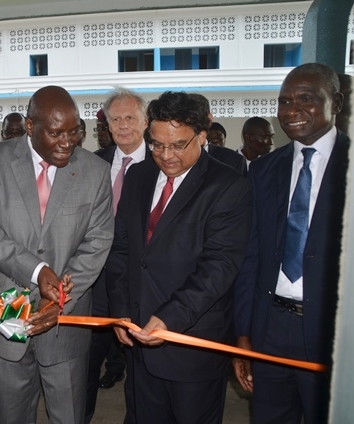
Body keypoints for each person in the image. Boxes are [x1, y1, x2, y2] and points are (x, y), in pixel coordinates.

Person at [0, 85, 114, 424]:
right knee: (11, 414)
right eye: (56, 132)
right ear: (30, 127)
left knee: (68, 415)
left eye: (74, 131)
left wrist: (60, 301)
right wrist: (36, 270)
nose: (68, 142)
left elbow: (98, 241)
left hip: (66, 322)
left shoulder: (94, 171)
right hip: (7, 311)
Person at [107, 91, 252, 424]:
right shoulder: (138, 176)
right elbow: (122, 249)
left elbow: (219, 268)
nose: (166, 156)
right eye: (157, 145)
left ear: (202, 135)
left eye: (177, 145)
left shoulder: (228, 187)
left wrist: (169, 317)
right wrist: (120, 311)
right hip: (138, 340)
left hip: (192, 345)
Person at [233, 63, 349, 424]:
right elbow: (251, 257)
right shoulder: (265, 170)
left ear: (338, 103)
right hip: (271, 328)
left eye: (306, 99)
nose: (291, 110)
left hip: (333, 333)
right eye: (284, 101)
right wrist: (243, 333)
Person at [86, 87, 148, 424]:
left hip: (139, 285)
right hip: (93, 283)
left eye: (129, 117)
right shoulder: (94, 164)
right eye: (115, 119)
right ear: (107, 126)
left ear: (145, 121)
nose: (122, 125)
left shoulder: (160, 164)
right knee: (84, 368)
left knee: (141, 373)